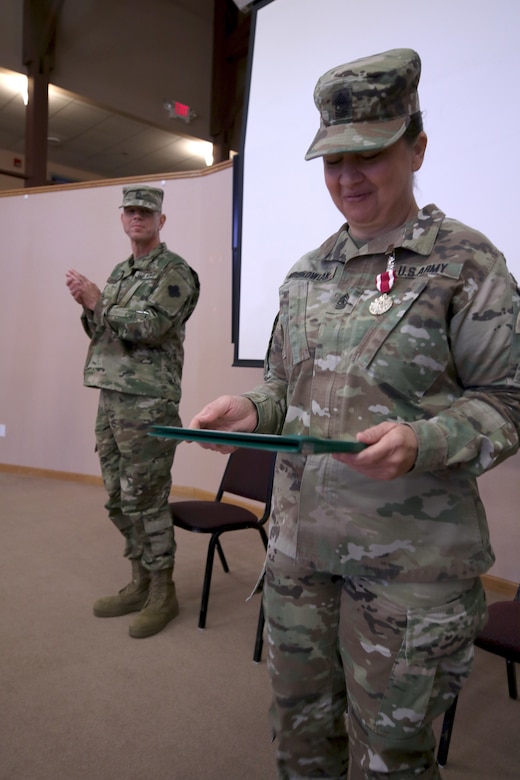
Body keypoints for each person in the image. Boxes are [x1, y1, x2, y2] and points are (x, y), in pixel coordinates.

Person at [188, 49, 520, 778]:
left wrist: (424, 440)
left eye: (368, 154)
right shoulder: (307, 271)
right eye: (333, 160)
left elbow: (507, 401)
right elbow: (284, 388)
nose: (347, 177)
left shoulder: (468, 265)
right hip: (301, 560)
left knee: (391, 763)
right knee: (300, 743)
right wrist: (249, 407)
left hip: (408, 578)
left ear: (417, 147)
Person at [66, 185, 200, 639]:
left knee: (147, 497)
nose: (138, 218)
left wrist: (96, 302)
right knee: (117, 496)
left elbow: (149, 326)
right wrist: (90, 306)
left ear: (161, 220)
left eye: (147, 212)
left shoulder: (176, 272)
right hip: (112, 395)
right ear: (122, 219)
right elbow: (103, 331)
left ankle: (163, 590)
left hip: (148, 402)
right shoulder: (121, 272)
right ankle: (139, 579)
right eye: (131, 211)